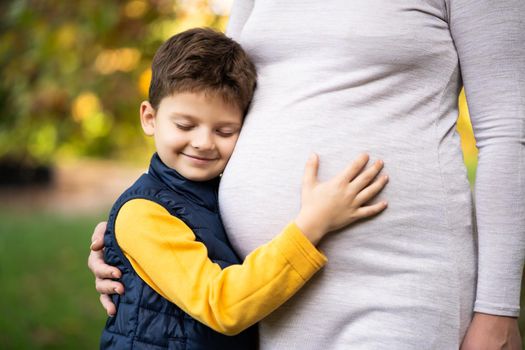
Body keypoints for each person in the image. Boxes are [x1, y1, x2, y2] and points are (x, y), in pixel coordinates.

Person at [90, 1, 525, 349]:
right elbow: (215, 97)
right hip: (267, 294)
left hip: (397, 278)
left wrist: (497, 308)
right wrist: (132, 241)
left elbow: (507, 132)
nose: (204, 139)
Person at [97, 28, 389, 349]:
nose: (203, 142)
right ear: (150, 118)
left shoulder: (207, 194)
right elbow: (223, 306)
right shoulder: (143, 213)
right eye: (185, 125)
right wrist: (313, 225)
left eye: (224, 130)